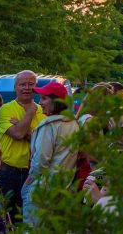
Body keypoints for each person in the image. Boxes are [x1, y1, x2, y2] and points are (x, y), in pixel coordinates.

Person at [21, 82, 78, 226]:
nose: (40, 103)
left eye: (44, 98)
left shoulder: (49, 125)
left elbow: (40, 161)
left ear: (56, 101)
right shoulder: (74, 124)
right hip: (63, 190)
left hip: (42, 191)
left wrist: (28, 182)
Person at [0, 71, 44, 216]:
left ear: (36, 87)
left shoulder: (44, 110)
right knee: (5, 216)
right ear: (15, 87)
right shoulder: (5, 109)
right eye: (23, 84)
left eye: (31, 84)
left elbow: (42, 141)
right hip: (8, 171)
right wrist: (29, 113)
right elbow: (17, 134)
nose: (27, 88)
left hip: (33, 173)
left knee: (28, 217)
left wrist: (22, 127)